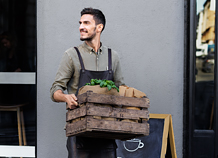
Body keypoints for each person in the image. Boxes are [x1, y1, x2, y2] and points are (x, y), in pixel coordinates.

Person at [50, 8, 124, 158]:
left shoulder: (112, 57)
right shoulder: (71, 55)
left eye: (86, 23)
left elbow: (120, 89)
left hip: (106, 132)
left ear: (99, 27)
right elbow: (55, 90)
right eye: (80, 23)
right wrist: (66, 97)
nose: (81, 27)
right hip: (79, 133)